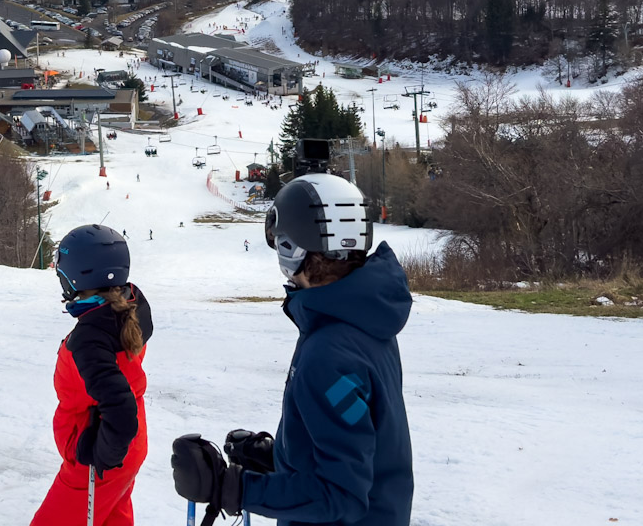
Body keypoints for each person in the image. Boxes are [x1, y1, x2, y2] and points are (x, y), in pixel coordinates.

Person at [169, 173, 413, 526]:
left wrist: (230, 488)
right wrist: (283, 458)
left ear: (292, 247)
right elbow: (359, 444)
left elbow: (340, 494)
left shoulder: (328, 354)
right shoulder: (363, 322)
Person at [31, 223, 154, 526]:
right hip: (127, 449)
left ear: (75, 277)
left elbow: (119, 405)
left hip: (97, 461)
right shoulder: (128, 310)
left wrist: (103, 454)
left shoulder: (90, 338)